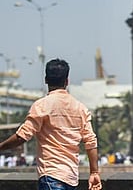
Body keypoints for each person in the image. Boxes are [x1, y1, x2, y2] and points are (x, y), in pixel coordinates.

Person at [0, 58, 102, 190]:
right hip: (71, 178)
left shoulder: (41, 106)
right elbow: (91, 142)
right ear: (67, 81)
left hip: (50, 175)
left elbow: (22, 137)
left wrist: (1, 146)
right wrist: (94, 172)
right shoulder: (80, 108)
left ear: (46, 80)